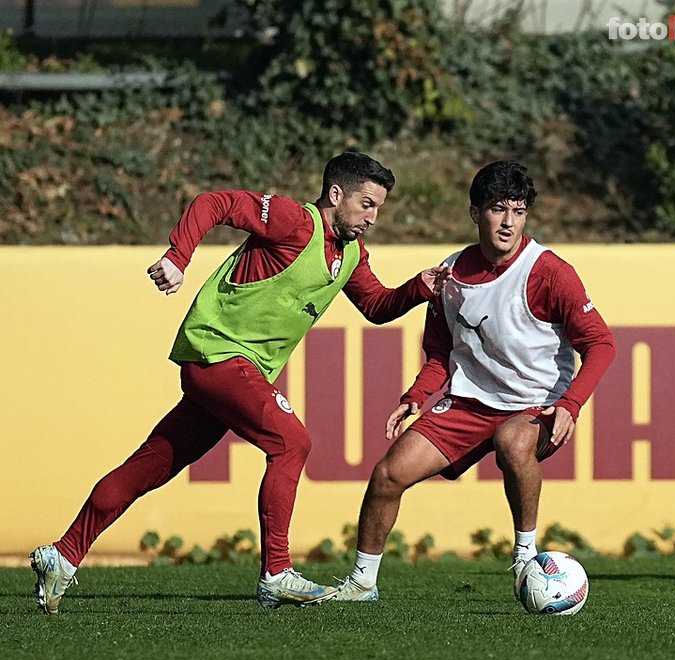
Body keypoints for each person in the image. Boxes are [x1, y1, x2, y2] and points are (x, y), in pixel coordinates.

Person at [30, 152, 451, 613]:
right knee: (292, 442)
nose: (373, 217)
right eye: (367, 204)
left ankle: (62, 555)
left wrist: (419, 287)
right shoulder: (295, 222)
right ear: (336, 195)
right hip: (218, 353)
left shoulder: (350, 253)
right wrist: (177, 256)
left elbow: (376, 306)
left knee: (151, 466)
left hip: (232, 370)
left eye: (378, 208)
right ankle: (276, 573)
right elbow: (214, 203)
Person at [334, 160, 616, 602]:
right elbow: (440, 353)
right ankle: (361, 583)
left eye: (518, 212)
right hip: (468, 405)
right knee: (388, 474)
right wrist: (417, 397)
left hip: (536, 405)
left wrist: (572, 403)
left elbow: (601, 344)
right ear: (475, 213)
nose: (508, 222)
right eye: (498, 209)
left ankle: (526, 557)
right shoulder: (450, 275)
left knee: (511, 441)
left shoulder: (549, 272)